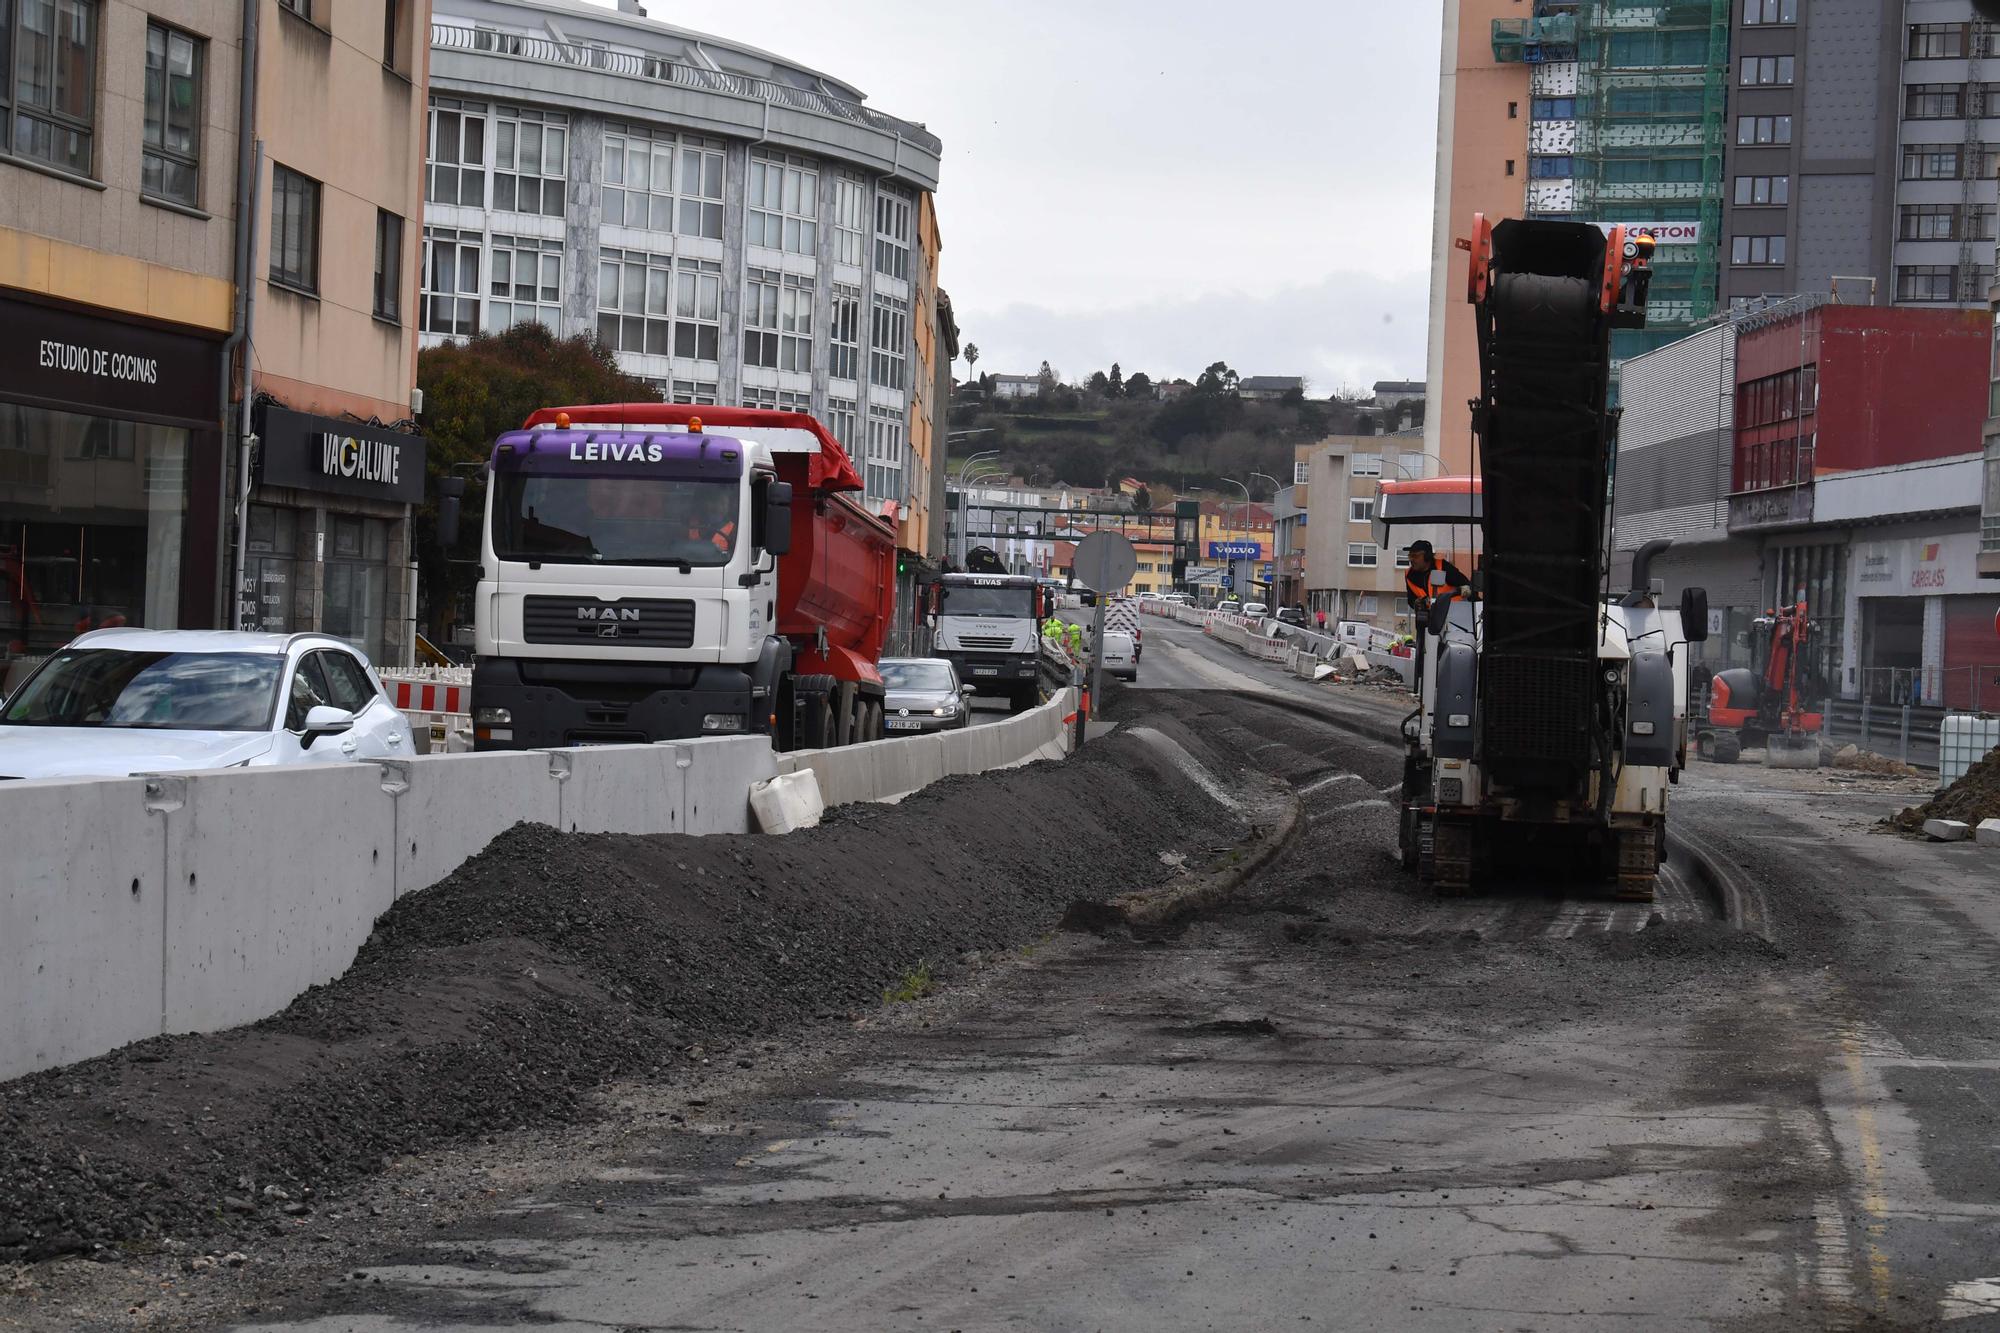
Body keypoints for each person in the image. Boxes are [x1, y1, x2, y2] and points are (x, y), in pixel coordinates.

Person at [1404, 540, 1471, 614]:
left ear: (1427, 556)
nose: (1411, 560)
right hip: (1432, 618)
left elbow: (1466, 586)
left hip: (1456, 614)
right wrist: (1416, 603)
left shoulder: (1443, 567)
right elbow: (1411, 599)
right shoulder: (1409, 575)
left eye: (1415, 556)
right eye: (1410, 556)